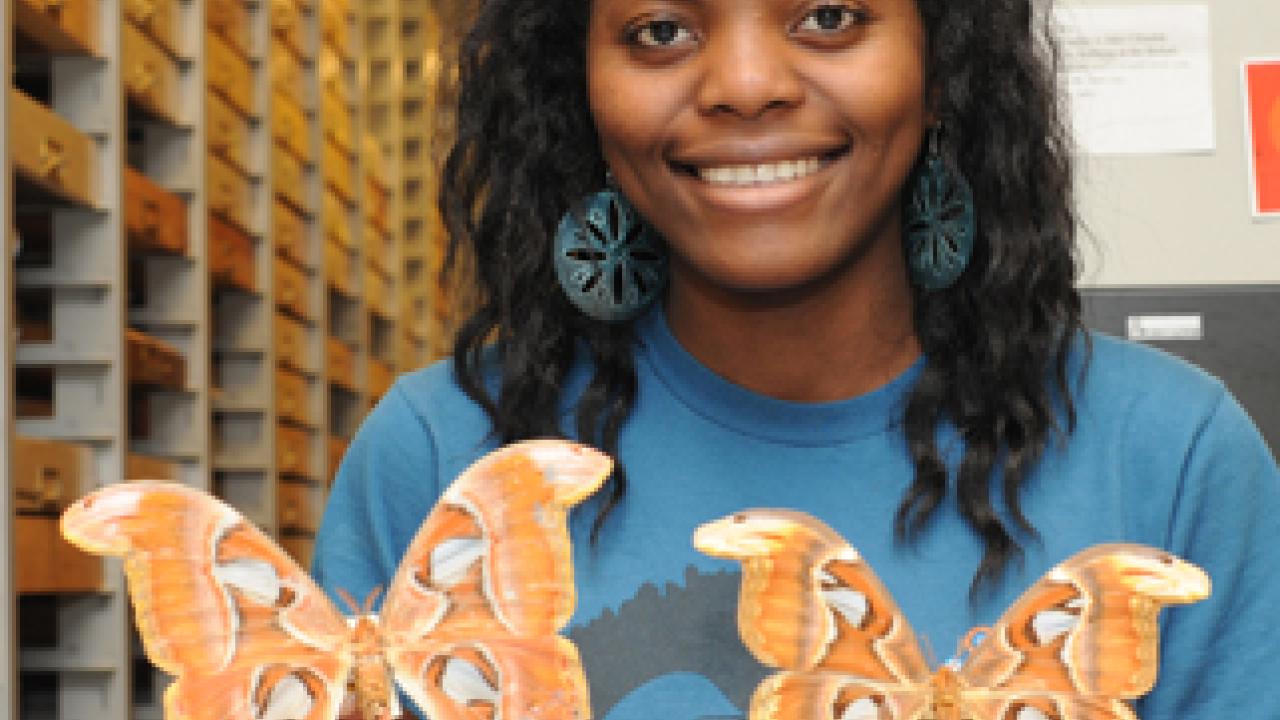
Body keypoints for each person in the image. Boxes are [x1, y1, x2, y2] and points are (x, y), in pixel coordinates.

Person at [315, 0, 1280, 718]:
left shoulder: (1172, 460)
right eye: (660, 30)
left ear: (938, 64)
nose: (744, 83)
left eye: (828, 16)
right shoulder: (446, 455)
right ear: (580, 81)